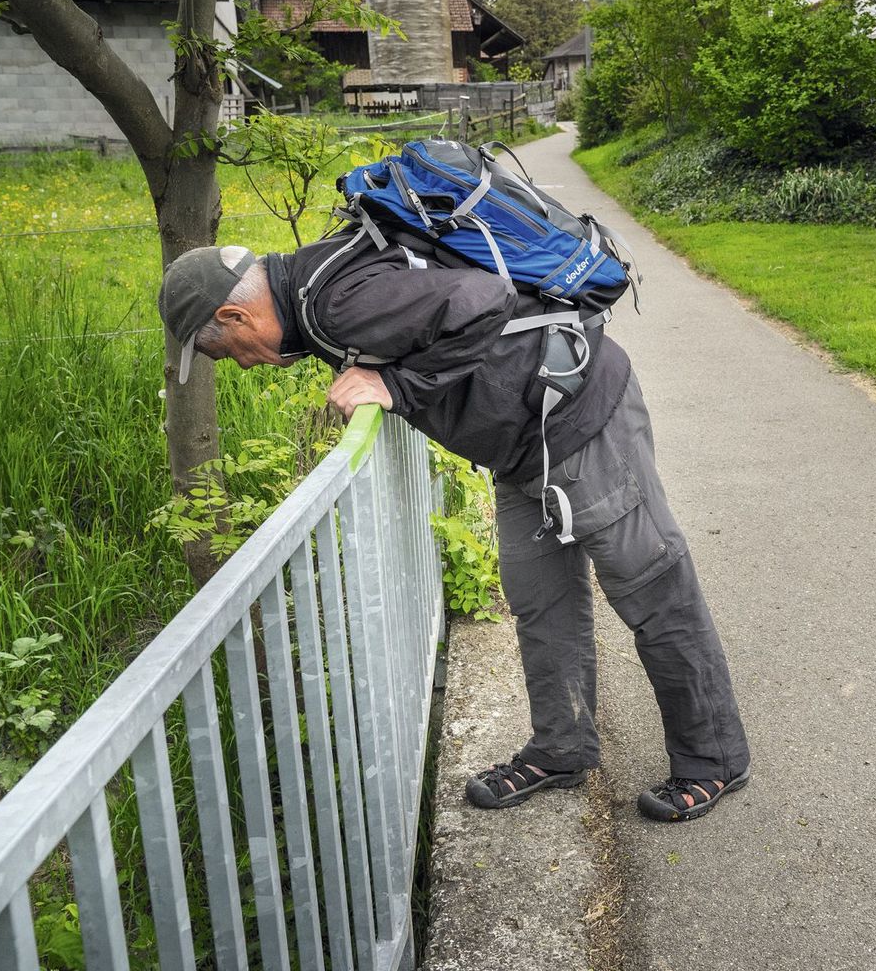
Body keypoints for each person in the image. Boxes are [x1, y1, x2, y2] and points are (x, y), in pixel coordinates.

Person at [157, 237, 752, 822]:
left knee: (651, 589)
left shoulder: (331, 302)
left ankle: (713, 757)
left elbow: (485, 299)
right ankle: (561, 749)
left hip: (579, 416)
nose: (239, 361)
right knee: (541, 603)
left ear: (235, 313)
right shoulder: (315, 294)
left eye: (225, 349)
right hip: (523, 446)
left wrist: (395, 387)